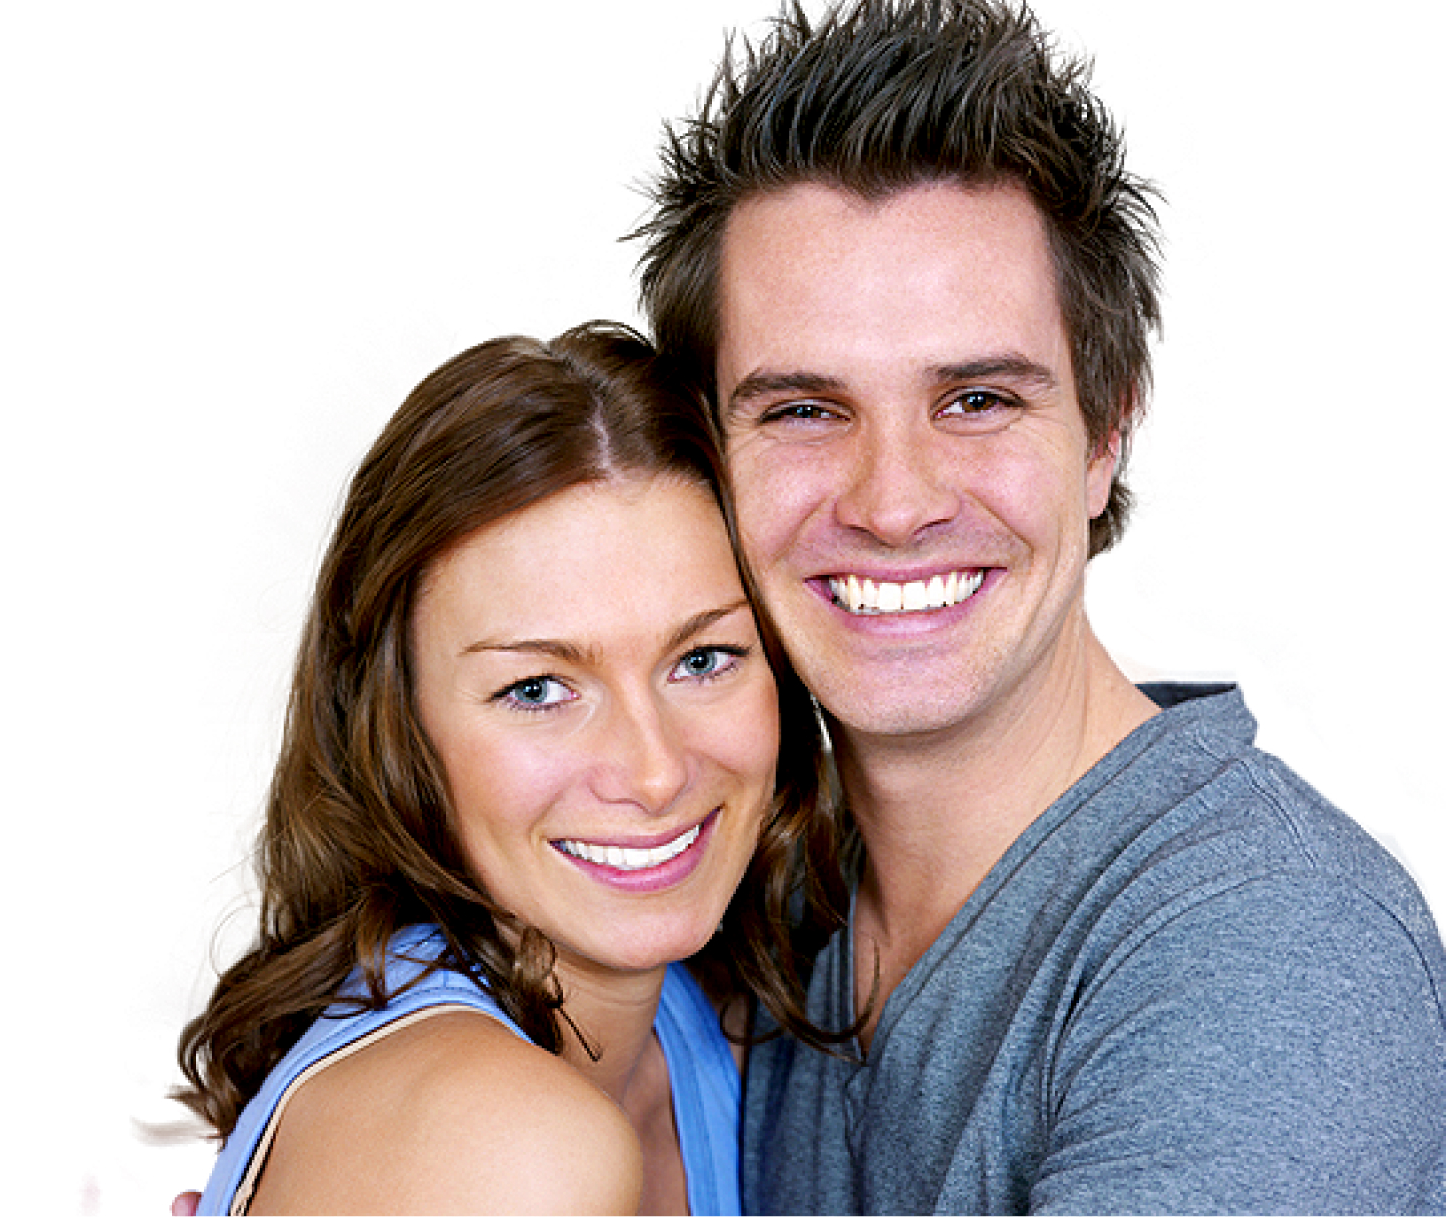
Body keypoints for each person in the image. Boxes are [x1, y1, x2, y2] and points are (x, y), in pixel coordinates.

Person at [629, 0, 1446, 1211]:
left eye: (975, 400)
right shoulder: (744, 888)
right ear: (710, 457)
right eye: (803, 408)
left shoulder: (1266, 952)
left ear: (1105, 431)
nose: (892, 503)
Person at [173, 322, 836, 1214]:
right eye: (536, 688)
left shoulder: (705, 1018)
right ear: (400, 728)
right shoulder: (505, 1146)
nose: (652, 771)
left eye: (703, 659)